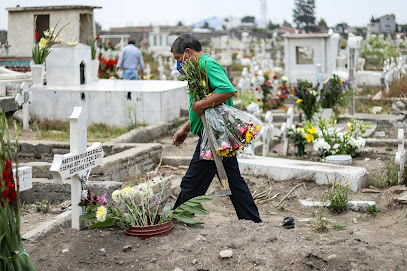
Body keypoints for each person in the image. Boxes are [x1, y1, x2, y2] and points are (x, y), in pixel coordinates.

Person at [171, 34, 262, 223]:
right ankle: (252, 222)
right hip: (213, 132)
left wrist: (202, 103)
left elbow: (227, 89)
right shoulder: (199, 68)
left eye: (178, 59)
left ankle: (177, 220)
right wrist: (186, 128)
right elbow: (203, 109)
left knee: (192, 181)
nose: (178, 65)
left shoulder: (207, 65)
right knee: (231, 179)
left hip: (213, 135)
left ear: (188, 52)